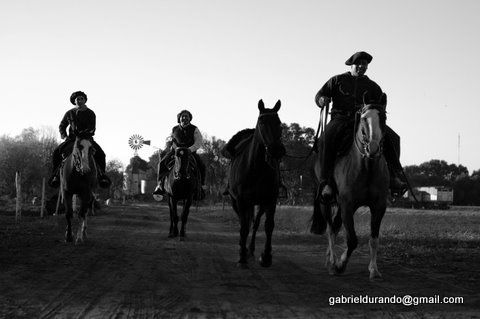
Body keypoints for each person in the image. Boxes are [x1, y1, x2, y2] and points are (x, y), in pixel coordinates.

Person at [315, 51, 407, 201]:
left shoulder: (373, 86)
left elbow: (380, 106)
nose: (361, 67)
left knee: (393, 137)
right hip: (341, 119)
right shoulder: (337, 80)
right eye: (358, 64)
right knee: (326, 138)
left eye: (364, 65)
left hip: (364, 121)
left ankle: (394, 175)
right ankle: (325, 182)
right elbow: (319, 95)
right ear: (351, 65)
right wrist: (322, 100)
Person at [48, 91, 111, 188]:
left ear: (85, 100)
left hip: (87, 139)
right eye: (78, 99)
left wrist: (85, 133)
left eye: (82, 99)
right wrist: (64, 136)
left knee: (101, 154)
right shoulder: (69, 113)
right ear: (74, 101)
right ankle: (55, 176)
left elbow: (92, 127)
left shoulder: (90, 113)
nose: (80, 101)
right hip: (72, 140)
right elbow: (62, 126)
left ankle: (102, 176)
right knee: (56, 152)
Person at [153, 109, 206, 196]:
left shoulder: (194, 129)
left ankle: (201, 186)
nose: (185, 118)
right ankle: (159, 185)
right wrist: (173, 147)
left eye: (187, 116)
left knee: (202, 166)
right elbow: (173, 140)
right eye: (183, 116)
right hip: (175, 152)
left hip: (190, 152)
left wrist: (190, 149)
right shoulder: (174, 129)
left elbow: (198, 142)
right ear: (179, 118)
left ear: (190, 118)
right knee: (161, 164)